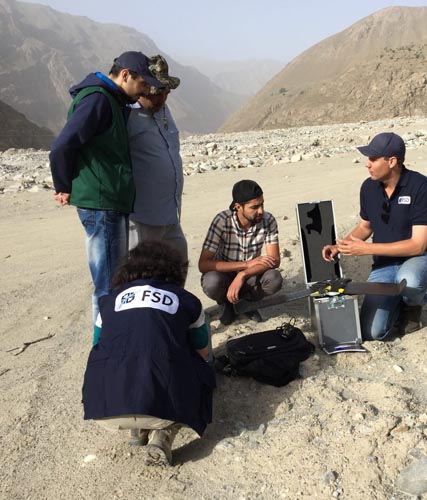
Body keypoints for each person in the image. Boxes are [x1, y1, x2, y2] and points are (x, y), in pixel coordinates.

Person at [49, 51, 165, 330]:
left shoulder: (112, 100)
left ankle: (110, 341)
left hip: (109, 202)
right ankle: (106, 346)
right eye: (142, 83)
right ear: (125, 75)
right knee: (108, 283)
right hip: (102, 204)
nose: (145, 90)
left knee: (113, 278)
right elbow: (62, 145)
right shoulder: (98, 100)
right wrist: (62, 185)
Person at [82, 241, 215, 467]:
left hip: (102, 408)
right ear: (175, 270)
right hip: (161, 409)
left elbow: (97, 345)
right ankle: (164, 434)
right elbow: (202, 351)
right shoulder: (186, 300)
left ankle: (136, 431)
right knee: (202, 370)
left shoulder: (109, 301)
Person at [322, 132, 427, 341]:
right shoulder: (368, 187)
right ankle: (396, 299)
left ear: (392, 161)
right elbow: (365, 227)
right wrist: (340, 246)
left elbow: (418, 245)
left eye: (373, 159)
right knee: (371, 332)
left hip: (417, 260)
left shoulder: (421, 186)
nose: (367, 164)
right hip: (384, 265)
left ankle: (412, 305)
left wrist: (367, 250)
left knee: (410, 279)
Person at [127, 55, 187, 261]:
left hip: (171, 215)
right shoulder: (126, 115)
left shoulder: (163, 110)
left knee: (177, 269)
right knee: (139, 280)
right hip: (141, 219)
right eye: (155, 93)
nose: (162, 98)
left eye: (166, 92)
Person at [199, 180, 283, 325]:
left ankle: (247, 303)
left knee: (274, 279)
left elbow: (274, 260)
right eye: (254, 207)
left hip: (251, 274)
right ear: (238, 206)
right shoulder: (222, 221)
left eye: (262, 204)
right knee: (211, 282)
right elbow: (204, 264)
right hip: (225, 274)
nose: (261, 211)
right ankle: (227, 303)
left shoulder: (268, 220)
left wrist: (243, 274)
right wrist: (245, 264)